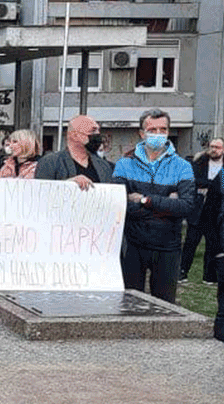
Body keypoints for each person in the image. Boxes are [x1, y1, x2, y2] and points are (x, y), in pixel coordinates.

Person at [113, 109, 195, 304]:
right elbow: (119, 204)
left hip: (168, 246)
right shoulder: (124, 164)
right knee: (129, 303)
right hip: (133, 245)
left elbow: (186, 206)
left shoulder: (182, 167)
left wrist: (144, 200)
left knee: (165, 306)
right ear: (142, 133)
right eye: (153, 129)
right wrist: (167, 204)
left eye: (163, 129)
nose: (158, 134)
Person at [180, 138, 224, 284]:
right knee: (190, 243)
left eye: (217, 147)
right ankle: (182, 272)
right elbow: (194, 181)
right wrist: (211, 185)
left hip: (215, 211)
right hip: (198, 210)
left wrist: (208, 187)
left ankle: (209, 276)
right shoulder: (200, 163)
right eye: (212, 146)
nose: (214, 149)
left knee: (213, 245)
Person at [35, 115, 113, 189]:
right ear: (74, 135)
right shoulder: (50, 162)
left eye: (98, 130)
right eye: (92, 131)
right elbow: (42, 193)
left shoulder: (104, 166)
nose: (97, 134)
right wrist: (68, 184)